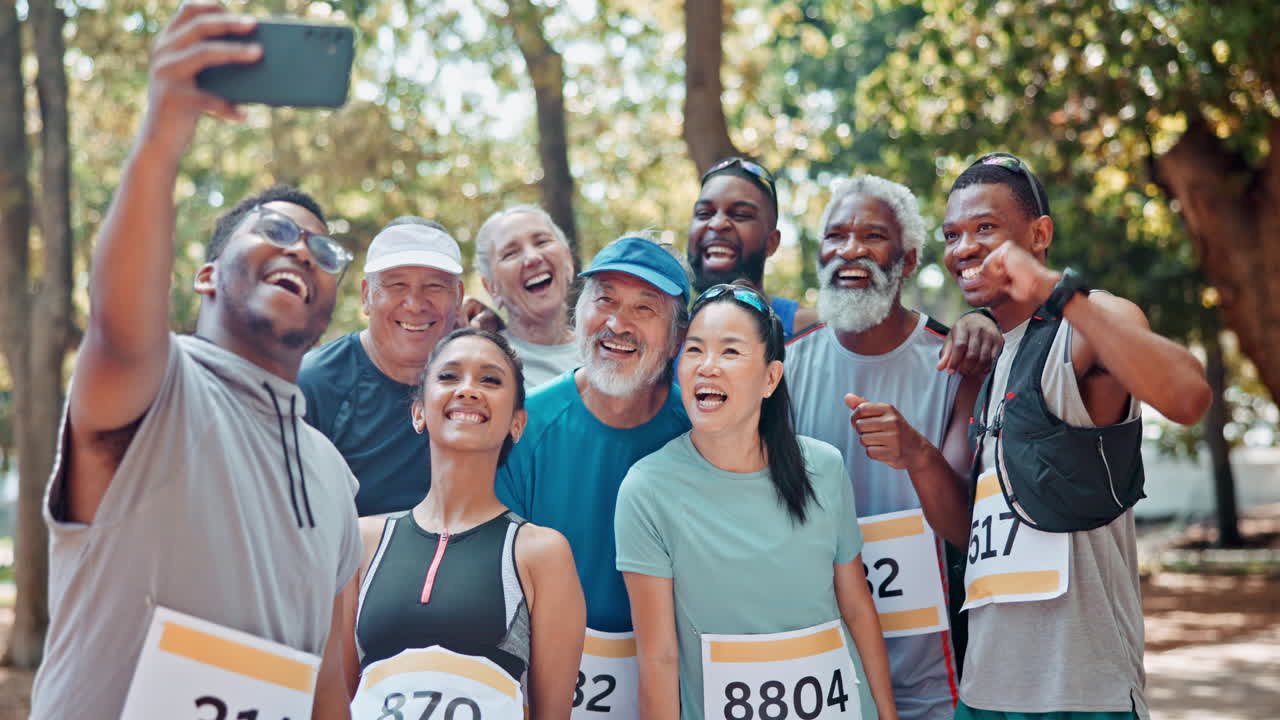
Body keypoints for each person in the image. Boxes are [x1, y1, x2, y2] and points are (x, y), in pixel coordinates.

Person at [32, 5, 360, 717]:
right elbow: (120, 329)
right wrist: (163, 133)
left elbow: (327, 683)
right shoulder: (157, 388)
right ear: (207, 277)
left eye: (324, 249)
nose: (303, 250)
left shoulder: (333, 473)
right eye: (274, 229)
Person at [880, 153, 1211, 720]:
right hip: (984, 695)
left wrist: (1057, 292)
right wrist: (916, 455)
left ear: (1039, 234)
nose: (963, 248)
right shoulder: (987, 366)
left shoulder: (1086, 324)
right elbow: (968, 527)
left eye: (985, 228)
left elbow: (1188, 395)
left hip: (1082, 695)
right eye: (952, 234)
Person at [616, 282, 897, 720]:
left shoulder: (823, 468)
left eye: (730, 352)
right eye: (694, 350)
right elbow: (659, 657)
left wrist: (887, 714)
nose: (707, 366)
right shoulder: (646, 488)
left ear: (770, 378)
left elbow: (858, 609)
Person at [786, 175, 1004, 720]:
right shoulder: (782, 368)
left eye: (872, 236)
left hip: (932, 680)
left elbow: (964, 529)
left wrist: (917, 453)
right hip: (817, 675)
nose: (851, 249)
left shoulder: (960, 362)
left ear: (907, 261)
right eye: (835, 236)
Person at [315, 329, 585, 719]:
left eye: (490, 380)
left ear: (517, 422)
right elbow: (332, 701)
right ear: (419, 411)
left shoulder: (542, 553)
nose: (468, 390)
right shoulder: (362, 541)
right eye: (448, 376)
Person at [496, 234, 692, 712]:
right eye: (604, 300)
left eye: (645, 309)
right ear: (578, 312)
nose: (617, 324)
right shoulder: (525, 427)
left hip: (679, 679)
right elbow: (500, 591)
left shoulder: (701, 426)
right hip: (546, 681)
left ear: (676, 341)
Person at [299, 217, 465, 516]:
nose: (415, 304)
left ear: (459, 297)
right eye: (396, 285)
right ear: (366, 296)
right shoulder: (315, 384)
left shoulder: (480, 385)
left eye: (434, 286)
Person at [687, 156, 818, 338]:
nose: (717, 224)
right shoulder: (666, 339)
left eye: (740, 214)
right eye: (704, 213)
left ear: (772, 242)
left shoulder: (811, 332)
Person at [473, 205, 580, 388]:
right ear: (492, 288)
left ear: (568, 261)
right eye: (510, 253)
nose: (532, 257)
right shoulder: (481, 363)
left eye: (542, 242)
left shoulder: (606, 352)